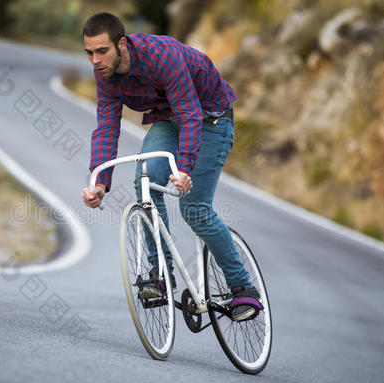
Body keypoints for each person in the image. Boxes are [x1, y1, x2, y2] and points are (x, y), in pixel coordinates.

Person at [80, 12, 260, 321]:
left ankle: (243, 288)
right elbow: (107, 126)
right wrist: (100, 179)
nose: (95, 60)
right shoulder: (105, 74)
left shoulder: (161, 57)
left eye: (102, 51)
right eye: (89, 53)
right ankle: (160, 275)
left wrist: (184, 168)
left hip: (210, 121)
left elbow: (191, 116)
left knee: (195, 208)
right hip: (168, 121)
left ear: (122, 44)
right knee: (145, 180)